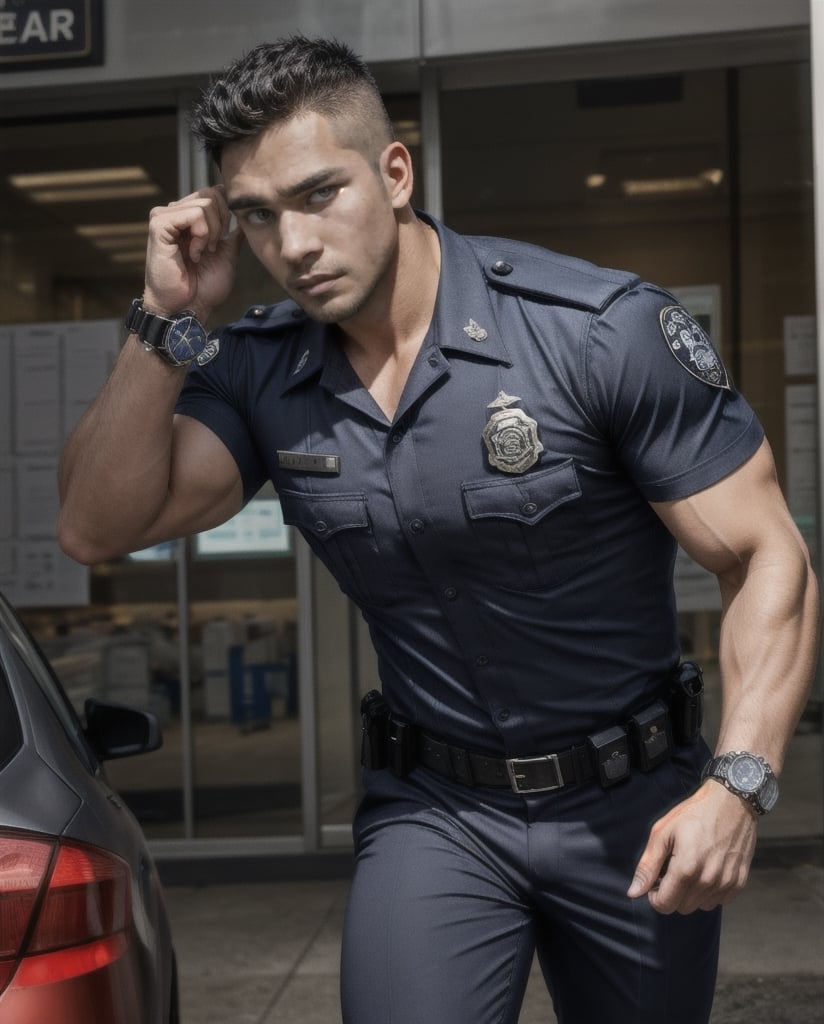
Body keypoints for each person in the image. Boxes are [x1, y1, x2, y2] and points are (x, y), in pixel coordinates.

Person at [57, 35, 819, 1024]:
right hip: (438, 812)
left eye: (318, 195)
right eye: (256, 217)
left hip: (633, 805)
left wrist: (738, 779)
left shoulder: (592, 331)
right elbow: (93, 526)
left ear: (395, 171)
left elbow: (764, 554)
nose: (291, 246)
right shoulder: (261, 371)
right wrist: (163, 320)